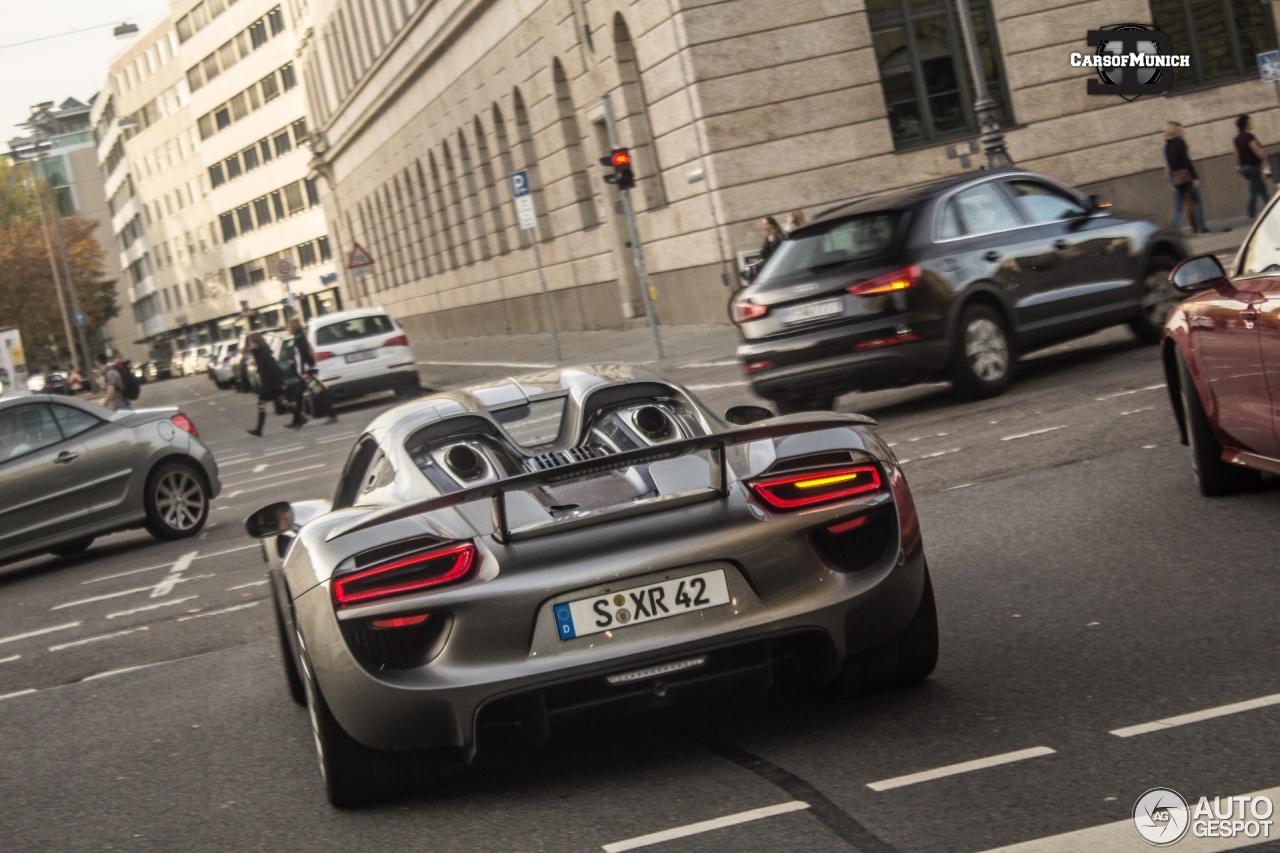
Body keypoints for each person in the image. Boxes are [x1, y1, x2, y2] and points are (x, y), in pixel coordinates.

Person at [285, 318, 336, 428]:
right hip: (306, 372)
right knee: (299, 395)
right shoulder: (298, 338)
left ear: (293, 327)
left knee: (320, 392)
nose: (287, 329)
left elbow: (305, 356)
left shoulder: (299, 339)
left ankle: (332, 415)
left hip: (308, 373)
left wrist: (305, 372)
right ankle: (297, 420)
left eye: (288, 327)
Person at [1163, 122, 1207, 235]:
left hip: (1177, 180)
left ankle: (1175, 232)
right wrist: (1195, 177)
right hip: (1187, 178)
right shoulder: (1180, 143)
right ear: (1175, 130)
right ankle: (1201, 228)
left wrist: (1171, 181)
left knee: (1178, 208)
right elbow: (1186, 161)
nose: (1183, 131)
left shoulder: (1167, 146)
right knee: (1198, 202)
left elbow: (1169, 165)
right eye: (1181, 129)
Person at [246, 332, 284, 437]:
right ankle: (299, 418)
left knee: (261, 403)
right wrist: (253, 351)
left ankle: (259, 429)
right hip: (270, 383)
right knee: (281, 401)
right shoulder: (261, 352)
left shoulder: (264, 353)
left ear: (256, 342)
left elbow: (273, 369)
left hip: (270, 383)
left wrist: (279, 383)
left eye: (251, 343)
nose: (250, 345)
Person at [1234, 114, 1270, 218]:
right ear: (1245, 124)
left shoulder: (1237, 139)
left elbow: (1236, 153)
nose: (1251, 124)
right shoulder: (1249, 137)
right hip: (1253, 167)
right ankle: (1251, 212)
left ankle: (1269, 206)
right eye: (1249, 122)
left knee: (1262, 189)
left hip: (1245, 167)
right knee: (1254, 190)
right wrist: (1266, 159)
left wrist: (1238, 166)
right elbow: (1256, 150)